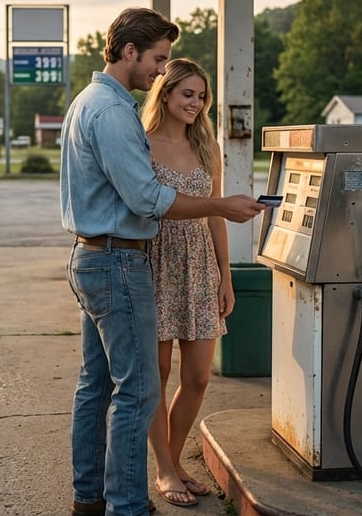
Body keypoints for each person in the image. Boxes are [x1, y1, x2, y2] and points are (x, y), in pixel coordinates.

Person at [60, 7, 264, 516]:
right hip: (120, 260)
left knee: (99, 384)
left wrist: (222, 266)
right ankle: (129, 505)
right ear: (129, 52)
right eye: (157, 59)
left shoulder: (91, 102)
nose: (158, 70)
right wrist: (221, 204)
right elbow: (148, 199)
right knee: (140, 388)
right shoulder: (112, 113)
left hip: (98, 255)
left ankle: (90, 497)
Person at [141, 59, 230, 508]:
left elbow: (215, 214)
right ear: (166, 94)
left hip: (199, 266)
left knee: (196, 377)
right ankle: (164, 469)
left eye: (201, 96)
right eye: (187, 94)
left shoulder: (208, 147)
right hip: (155, 262)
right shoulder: (143, 144)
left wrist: (225, 277)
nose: (195, 103)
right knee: (155, 375)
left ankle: (173, 461)